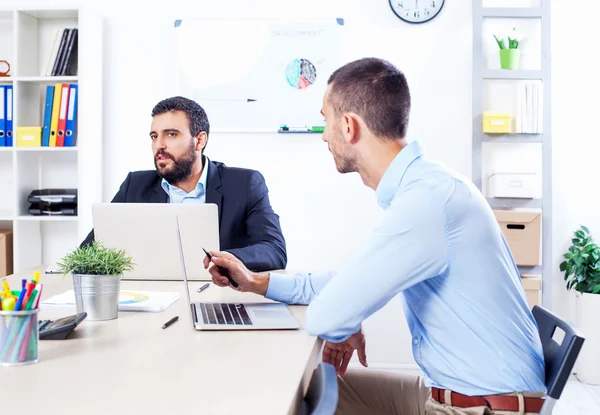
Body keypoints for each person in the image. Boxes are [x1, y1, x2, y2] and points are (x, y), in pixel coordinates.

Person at [203, 58, 547, 415]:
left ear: (348, 126)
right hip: (459, 390)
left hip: (482, 407)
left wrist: (347, 317)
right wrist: (256, 281)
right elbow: (346, 286)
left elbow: (327, 317)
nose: (323, 134)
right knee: (309, 388)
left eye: (325, 119)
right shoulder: (427, 187)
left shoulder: (427, 202)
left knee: (297, 401)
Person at [81, 96, 287, 272]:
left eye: (171, 134)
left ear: (199, 141)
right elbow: (87, 252)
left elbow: (274, 250)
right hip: (151, 297)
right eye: (154, 136)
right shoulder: (134, 185)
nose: (159, 145)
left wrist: (222, 259)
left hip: (218, 295)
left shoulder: (244, 184)